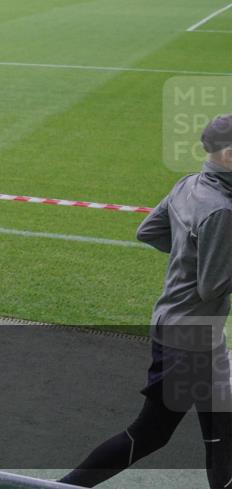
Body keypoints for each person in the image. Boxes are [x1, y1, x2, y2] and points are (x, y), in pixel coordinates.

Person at [61, 113, 232, 488]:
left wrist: (192, 254)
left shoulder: (189, 184)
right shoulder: (221, 210)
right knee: (153, 434)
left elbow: (148, 231)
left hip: (182, 328)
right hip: (191, 340)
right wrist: (206, 258)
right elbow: (213, 287)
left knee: (222, 433)